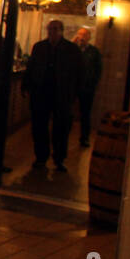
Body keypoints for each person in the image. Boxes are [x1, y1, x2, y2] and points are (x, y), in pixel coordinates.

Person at [21, 19, 80, 171]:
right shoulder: (39, 47)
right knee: (39, 126)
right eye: (50, 29)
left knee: (61, 128)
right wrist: (27, 85)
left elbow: (78, 73)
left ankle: (59, 158)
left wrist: (75, 94)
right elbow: (31, 68)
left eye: (55, 29)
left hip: (61, 93)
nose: (51, 32)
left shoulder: (71, 50)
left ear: (61, 31)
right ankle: (41, 156)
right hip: (41, 92)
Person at [74, 26, 103, 147]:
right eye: (80, 34)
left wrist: (92, 84)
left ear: (89, 37)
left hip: (87, 88)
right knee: (66, 111)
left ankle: (84, 138)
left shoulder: (94, 52)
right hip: (72, 87)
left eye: (85, 35)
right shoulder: (73, 50)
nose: (82, 37)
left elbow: (98, 70)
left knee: (85, 113)